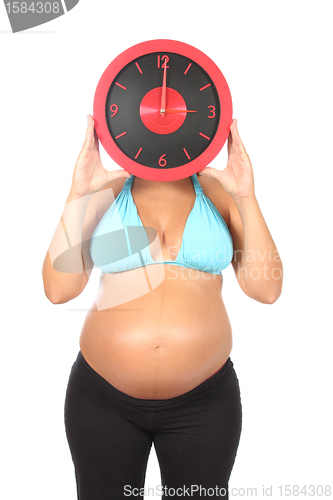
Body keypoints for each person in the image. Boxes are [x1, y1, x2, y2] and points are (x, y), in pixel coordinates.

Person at [42, 114, 283, 499]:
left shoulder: (219, 190)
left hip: (204, 404)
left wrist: (246, 196)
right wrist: (78, 194)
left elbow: (265, 288)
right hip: (103, 400)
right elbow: (59, 289)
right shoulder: (109, 188)